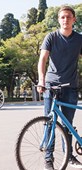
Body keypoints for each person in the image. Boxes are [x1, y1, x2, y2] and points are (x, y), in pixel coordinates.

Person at [37, 6, 82, 170]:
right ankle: (48, 160)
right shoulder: (51, 37)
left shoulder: (79, 39)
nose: (65, 20)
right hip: (50, 86)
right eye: (62, 17)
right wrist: (41, 80)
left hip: (71, 87)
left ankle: (69, 156)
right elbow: (42, 59)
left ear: (74, 20)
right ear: (58, 19)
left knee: (67, 124)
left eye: (69, 17)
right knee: (49, 123)